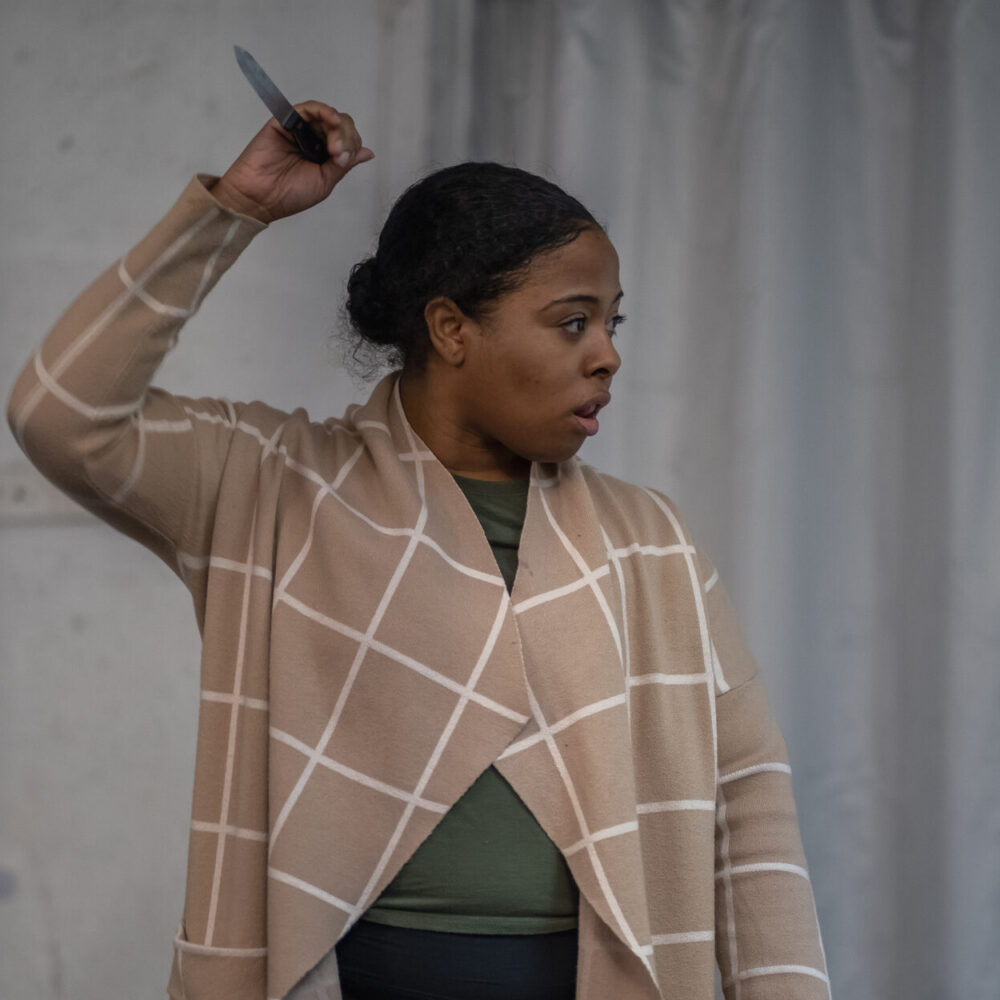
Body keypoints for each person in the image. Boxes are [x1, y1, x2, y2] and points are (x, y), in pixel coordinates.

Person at [7, 102, 830, 1000]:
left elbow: (746, 804)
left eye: (611, 326)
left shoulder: (652, 542)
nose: (606, 357)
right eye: (571, 322)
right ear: (450, 330)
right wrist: (231, 210)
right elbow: (62, 415)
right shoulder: (272, 489)